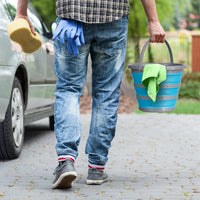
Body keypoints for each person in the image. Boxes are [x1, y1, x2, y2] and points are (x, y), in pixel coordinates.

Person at [16, 0, 165, 189]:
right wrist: (153, 20)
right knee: (106, 93)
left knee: (68, 89)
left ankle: (66, 161)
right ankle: (97, 167)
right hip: (112, 16)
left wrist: (22, 12)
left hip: (72, 16)